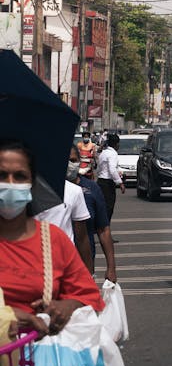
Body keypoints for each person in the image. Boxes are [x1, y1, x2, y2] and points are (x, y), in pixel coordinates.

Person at [0, 139, 104, 335]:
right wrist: (6, 316)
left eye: (20, 176)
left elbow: (88, 295)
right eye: (2, 175)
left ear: (32, 184)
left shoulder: (52, 239)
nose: (10, 184)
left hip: (39, 357)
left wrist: (66, 306)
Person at [68, 145, 117, 282]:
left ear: (79, 161)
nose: (69, 165)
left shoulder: (91, 189)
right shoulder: (49, 191)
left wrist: (111, 267)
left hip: (85, 266)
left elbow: (103, 229)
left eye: (73, 160)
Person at [35, 178, 94, 274]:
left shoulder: (73, 190)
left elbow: (82, 237)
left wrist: (89, 274)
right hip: (33, 263)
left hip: (64, 264)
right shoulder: (23, 192)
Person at [96, 133, 125, 223]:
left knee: (103, 208)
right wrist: (120, 183)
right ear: (116, 144)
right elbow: (112, 169)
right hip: (107, 184)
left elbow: (100, 168)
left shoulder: (104, 153)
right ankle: (105, 230)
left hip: (100, 182)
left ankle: (104, 230)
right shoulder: (112, 154)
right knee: (108, 209)